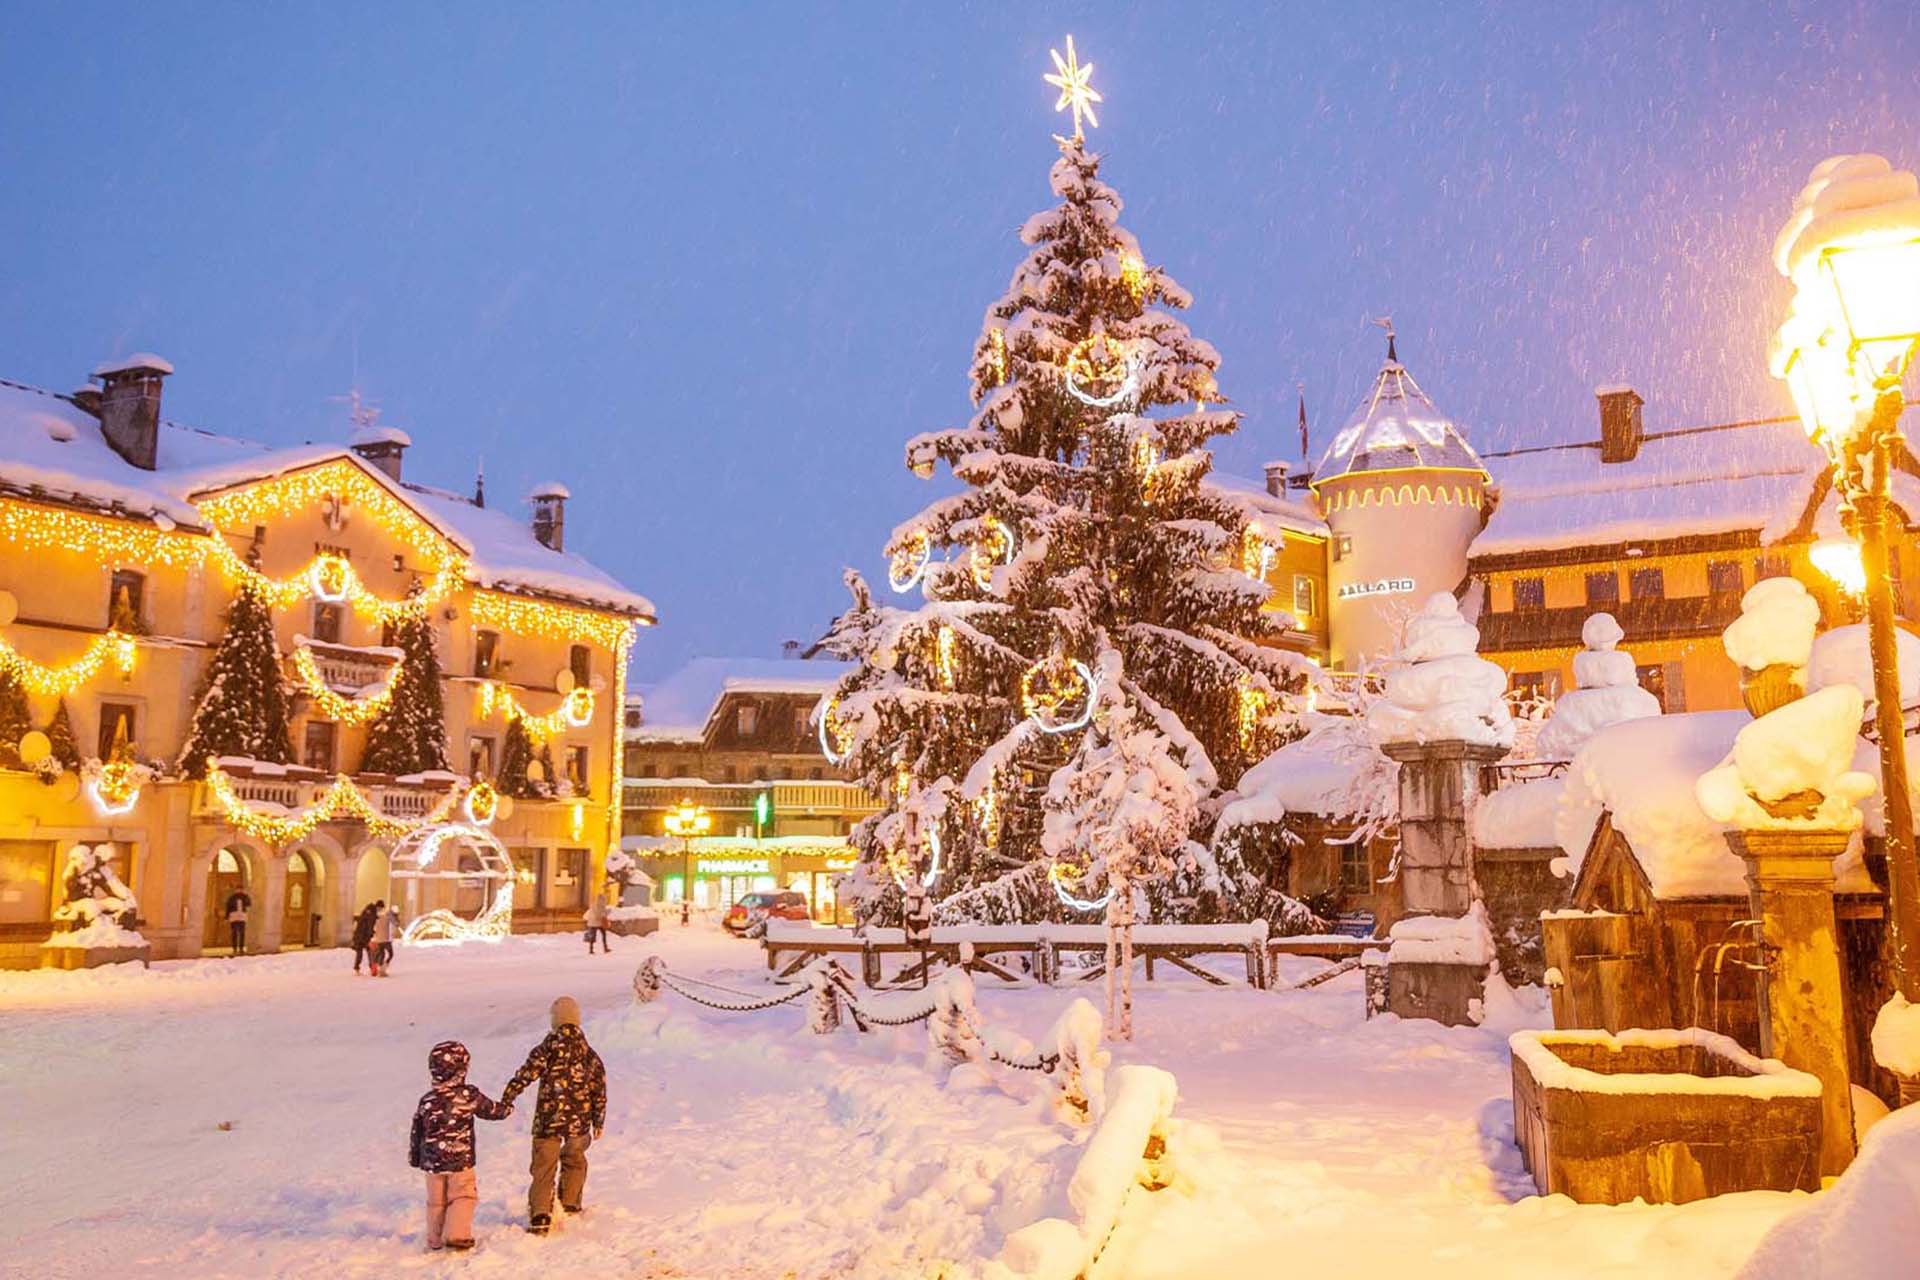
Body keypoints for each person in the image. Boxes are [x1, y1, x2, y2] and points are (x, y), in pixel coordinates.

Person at [500, 996, 606, 1234]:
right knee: (575, 1160)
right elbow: (599, 1088)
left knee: (544, 1167)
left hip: (549, 1121)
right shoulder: (589, 1054)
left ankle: (540, 1215)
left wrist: (508, 1097)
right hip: (579, 1123)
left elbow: (525, 1074)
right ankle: (570, 1202)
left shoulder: (546, 1049)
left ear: (555, 1021)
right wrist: (598, 1120)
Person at [408, 1040, 512, 1252]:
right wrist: (506, 1109)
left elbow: (417, 1129)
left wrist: (416, 1156)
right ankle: (457, 1235)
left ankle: (434, 1239)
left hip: (432, 1162)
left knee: (436, 1202)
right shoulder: (468, 1096)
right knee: (463, 1196)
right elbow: (490, 1110)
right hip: (459, 1159)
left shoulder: (427, 1100)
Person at [351, 901, 380, 974]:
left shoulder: (365, 911)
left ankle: (356, 969)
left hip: (358, 935)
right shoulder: (372, 914)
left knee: (359, 952)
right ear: (378, 907)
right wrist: (371, 934)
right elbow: (370, 925)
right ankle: (372, 969)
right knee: (370, 952)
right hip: (365, 936)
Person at [371, 901, 397, 976]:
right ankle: (382, 969)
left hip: (379, 939)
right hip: (386, 939)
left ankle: (379, 969)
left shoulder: (375, 915)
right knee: (390, 954)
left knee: (381, 954)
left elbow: (373, 927)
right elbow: (395, 923)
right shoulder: (387, 914)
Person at [224, 888, 251, 954]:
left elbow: (249, 904)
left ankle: (241, 948)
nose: (239, 890)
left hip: (242, 916)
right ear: (235, 890)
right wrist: (226, 917)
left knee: (242, 933)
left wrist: (246, 895)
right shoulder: (232, 898)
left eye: (240, 889)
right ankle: (235, 948)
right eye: (238, 889)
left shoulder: (244, 897)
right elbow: (228, 907)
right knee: (234, 933)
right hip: (234, 916)